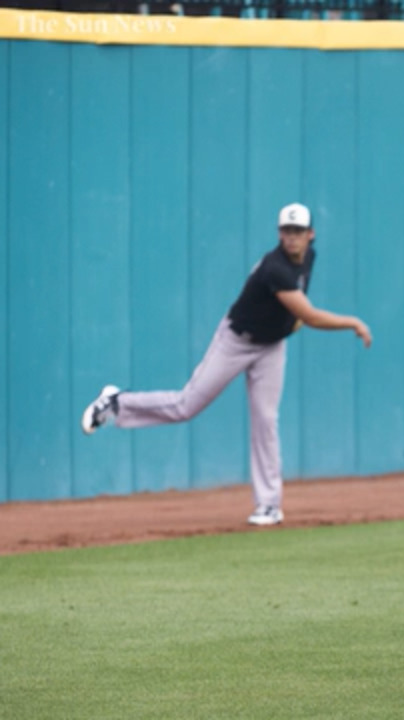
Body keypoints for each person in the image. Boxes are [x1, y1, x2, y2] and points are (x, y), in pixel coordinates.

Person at [80, 203, 373, 527]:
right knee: (185, 405)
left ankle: (269, 505)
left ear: (310, 234)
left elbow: (298, 308)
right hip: (236, 341)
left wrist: (289, 322)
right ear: (279, 233)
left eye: (298, 231)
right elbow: (311, 316)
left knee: (266, 420)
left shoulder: (308, 258)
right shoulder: (275, 268)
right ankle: (116, 403)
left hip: (271, 347)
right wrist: (353, 322)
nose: (292, 237)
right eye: (287, 230)